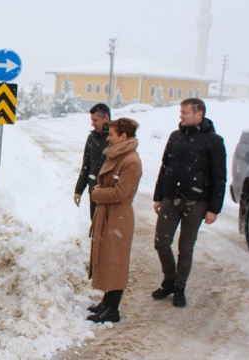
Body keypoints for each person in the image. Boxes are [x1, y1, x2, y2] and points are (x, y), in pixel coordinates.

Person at [151, 98, 226, 307]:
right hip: (170, 199)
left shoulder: (214, 141)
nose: (181, 116)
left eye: (185, 112)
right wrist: (159, 195)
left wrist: (213, 209)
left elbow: (219, 176)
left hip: (196, 203)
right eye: (181, 112)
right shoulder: (175, 137)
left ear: (199, 114)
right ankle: (170, 279)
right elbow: (165, 167)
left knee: (186, 247)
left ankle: (179, 288)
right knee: (161, 243)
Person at [86, 118, 142, 323]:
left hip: (118, 215)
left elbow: (122, 192)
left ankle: (112, 309)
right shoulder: (119, 155)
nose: (108, 138)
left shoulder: (131, 161)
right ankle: (107, 301)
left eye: (112, 134)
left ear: (123, 136)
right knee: (107, 258)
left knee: (116, 261)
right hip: (110, 214)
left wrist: (97, 193)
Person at [74, 103, 111, 219]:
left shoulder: (116, 138)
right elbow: (86, 166)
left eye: (96, 120)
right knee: (95, 226)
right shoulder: (92, 138)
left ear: (106, 118)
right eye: (92, 120)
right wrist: (78, 190)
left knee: (109, 230)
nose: (93, 123)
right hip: (94, 190)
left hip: (110, 193)